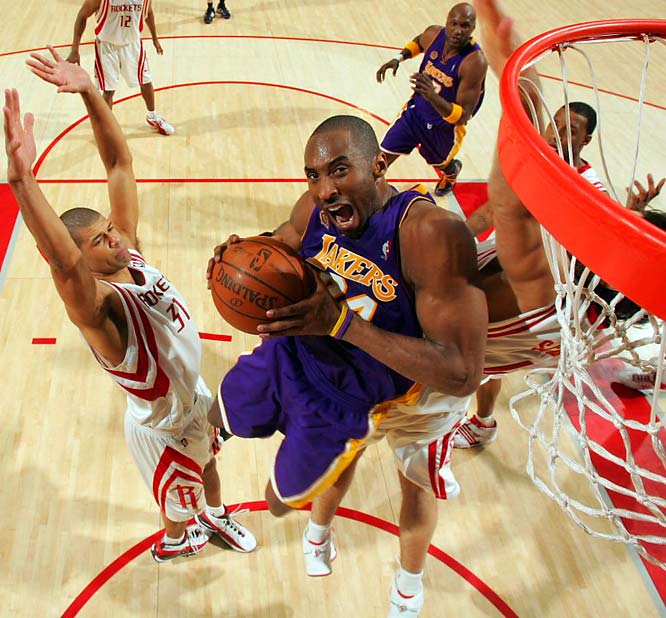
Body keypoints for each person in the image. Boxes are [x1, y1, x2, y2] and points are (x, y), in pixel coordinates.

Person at [207, 114, 488, 616]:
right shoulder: (317, 210)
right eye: (313, 175)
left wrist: (341, 325)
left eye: (339, 170)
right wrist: (242, 257)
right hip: (327, 365)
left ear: (379, 164)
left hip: (414, 393)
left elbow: (462, 372)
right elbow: (282, 241)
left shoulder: (428, 231)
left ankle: (408, 581)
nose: (323, 188)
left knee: (414, 483)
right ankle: (318, 533)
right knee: (232, 423)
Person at [4, 48, 255, 562]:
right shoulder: (99, 309)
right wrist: (23, 182)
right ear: (80, 255)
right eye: (99, 240)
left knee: (210, 460)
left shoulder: (130, 250)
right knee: (178, 502)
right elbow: (62, 261)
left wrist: (92, 92)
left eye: (110, 229)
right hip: (162, 425)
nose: (115, 238)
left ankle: (214, 515)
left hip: (192, 393)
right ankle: (175, 541)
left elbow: (119, 162)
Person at [454, 0, 666, 449]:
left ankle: (480, 422)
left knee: (482, 353)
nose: (557, 134)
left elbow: (511, 211)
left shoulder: (583, 190)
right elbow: (494, 215)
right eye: (556, 124)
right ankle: (484, 421)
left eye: (571, 130)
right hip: (528, 291)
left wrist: (521, 85)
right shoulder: (544, 165)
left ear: (586, 141)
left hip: (535, 300)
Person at [376, 2, 487, 197]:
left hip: (443, 127)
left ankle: (451, 171)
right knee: (379, 160)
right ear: (447, 22)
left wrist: (432, 96)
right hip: (415, 113)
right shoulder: (434, 34)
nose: (458, 31)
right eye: (454, 24)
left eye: (465, 26)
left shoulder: (474, 62)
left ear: (473, 28)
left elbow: (462, 117)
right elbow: (419, 41)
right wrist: (398, 58)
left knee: (440, 162)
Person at [67, 0, 175, 135]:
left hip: (133, 44)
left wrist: (155, 38)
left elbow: (149, 13)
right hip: (107, 47)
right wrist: (75, 49)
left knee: (146, 81)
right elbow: (82, 15)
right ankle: (106, 128)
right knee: (109, 90)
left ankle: (152, 116)